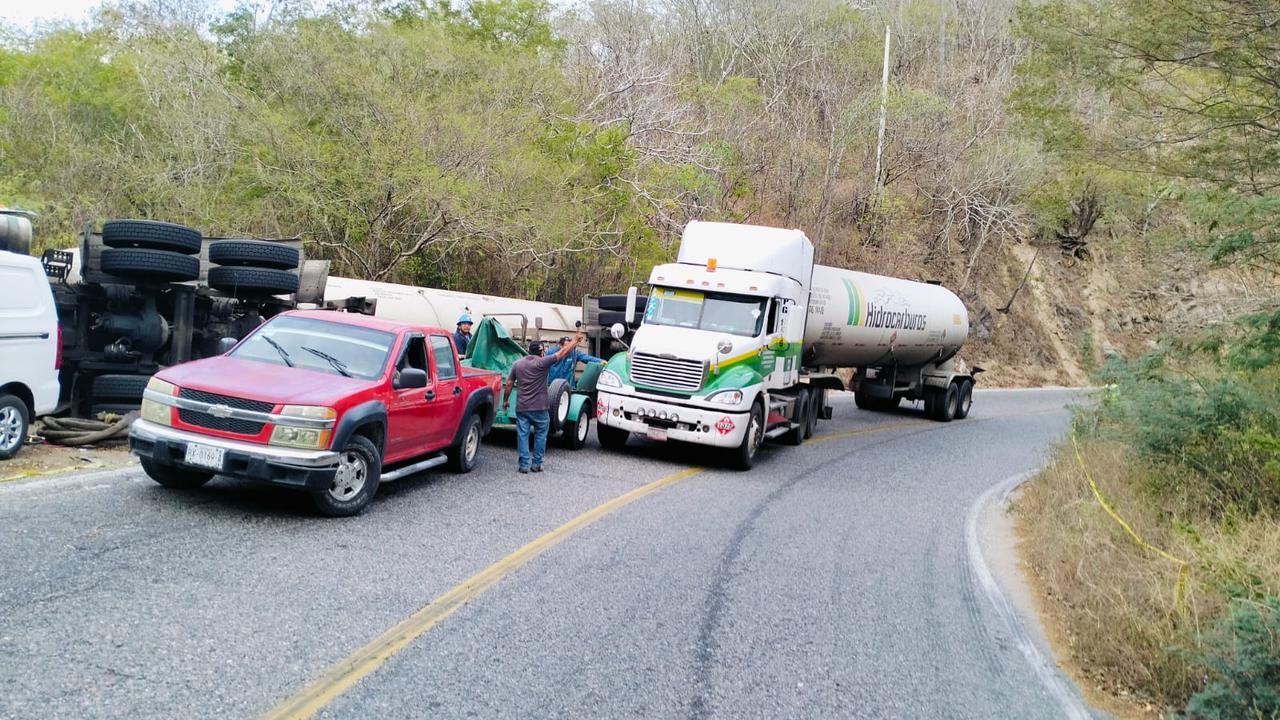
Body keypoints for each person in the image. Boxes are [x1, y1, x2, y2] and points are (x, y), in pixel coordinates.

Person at [505, 331, 584, 474]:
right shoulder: (543, 362)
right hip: (540, 408)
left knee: (522, 435)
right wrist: (575, 341)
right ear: (541, 353)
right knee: (541, 434)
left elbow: (509, 383)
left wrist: (505, 401)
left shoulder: (517, 364)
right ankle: (537, 464)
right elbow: (562, 352)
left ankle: (523, 465)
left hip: (522, 407)